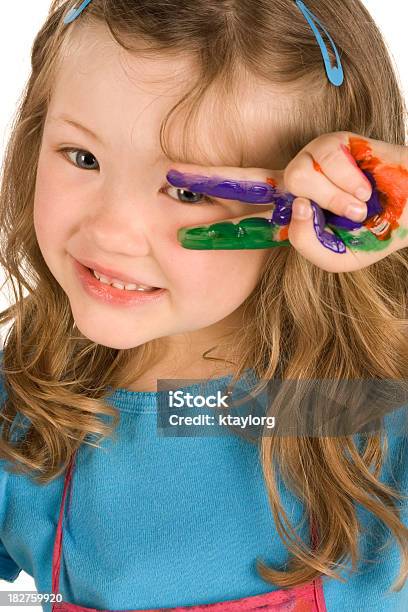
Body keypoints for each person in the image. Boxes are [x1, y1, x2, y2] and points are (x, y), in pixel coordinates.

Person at [0, 0, 407, 610]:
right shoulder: (34, 403)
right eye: (83, 158)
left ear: (316, 202)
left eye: (189, 191)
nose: (111, 231)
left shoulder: (355, 412)